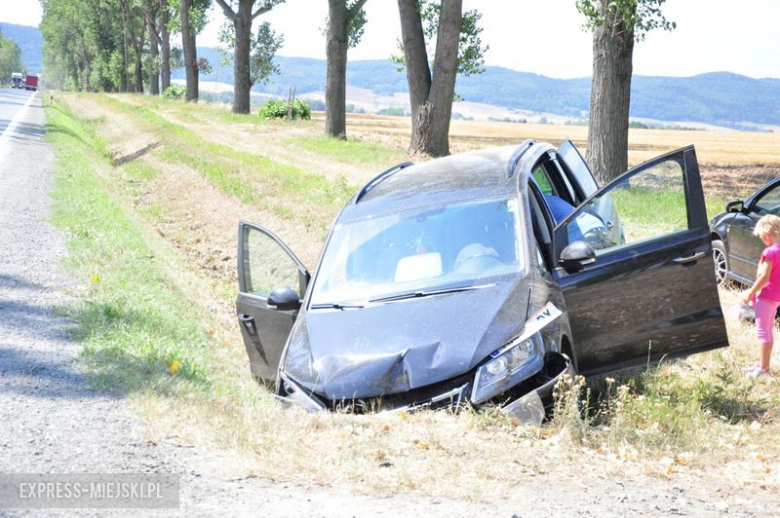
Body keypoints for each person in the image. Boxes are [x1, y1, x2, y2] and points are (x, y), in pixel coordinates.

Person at [741, 214, 780, 377]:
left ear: (767, 235)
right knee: (768, 330)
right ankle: (762, 364)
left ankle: (764, 370)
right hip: (776, 297)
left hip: (766, 296)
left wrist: (750, 292)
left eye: (762, 237)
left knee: (762, 332)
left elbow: (763, 277)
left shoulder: (770, 252)